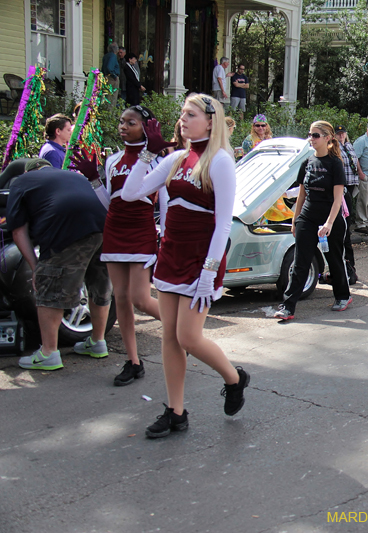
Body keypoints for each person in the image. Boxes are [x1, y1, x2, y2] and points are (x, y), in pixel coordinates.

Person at [121, 94, 249, 438]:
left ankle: (234, 378)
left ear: (211, 120)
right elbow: (132, 193)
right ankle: (175, 411)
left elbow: (224, 222)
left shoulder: (220, 161)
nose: (183, 119)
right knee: (170, 338)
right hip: (171, 254)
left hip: (200, 259)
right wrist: (145, 153)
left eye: (190, 114)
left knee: (188, 337)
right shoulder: (176, 158)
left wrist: (209, 272)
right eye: (182, 114)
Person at [71, 105, 168, 385]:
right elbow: (110, 202)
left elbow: (165, 201)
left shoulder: (156, 160)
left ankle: (184, 332)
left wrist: (165, 232)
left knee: (140, 298)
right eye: (122, 121)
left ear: (146, 126)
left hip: (141, 231)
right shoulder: (112, 160)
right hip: (114, 231)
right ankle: (133, 361)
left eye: (131, 122)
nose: (123, 126)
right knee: (121, 299)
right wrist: (93, 180)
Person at [6, 159, 111, 371]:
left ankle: (48, 353)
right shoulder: (72, 176)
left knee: (49, 284)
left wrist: (36, 267)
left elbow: (18, 231)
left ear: (29, 171)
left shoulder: (21, 181)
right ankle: (98, 342)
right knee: (99, 284)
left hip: (65, 228)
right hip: (105, 226)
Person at [270, 121, 351, 320]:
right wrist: (295, 220)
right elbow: (301, 195)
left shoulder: (335, 164)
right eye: (310, 135)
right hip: (308, 217)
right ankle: (288, 307)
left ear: (327, 138)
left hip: (329, 218)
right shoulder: (307, 163)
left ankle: (343, 295)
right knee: (300, 261)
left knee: (334, 259)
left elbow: (338, 198)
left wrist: (329, 223)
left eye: (315, 135)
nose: (311, 139)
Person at [334, 124, 360, 282]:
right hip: (338, 188)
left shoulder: (349, 145)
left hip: (349, 188)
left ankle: (349, 268)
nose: (341, 135)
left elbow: (355, 161)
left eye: (343, 133)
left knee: (345, 230)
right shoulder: (333, 148)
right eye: (339, 133)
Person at [101, 43, 121, 109]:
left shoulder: (106, 56)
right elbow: (109, 67)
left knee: (106, 96)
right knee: (112, 98)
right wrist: (114, 75)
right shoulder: (113, 56)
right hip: (112, 78)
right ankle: (110, 115)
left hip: (105, 77)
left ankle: (105, 112)